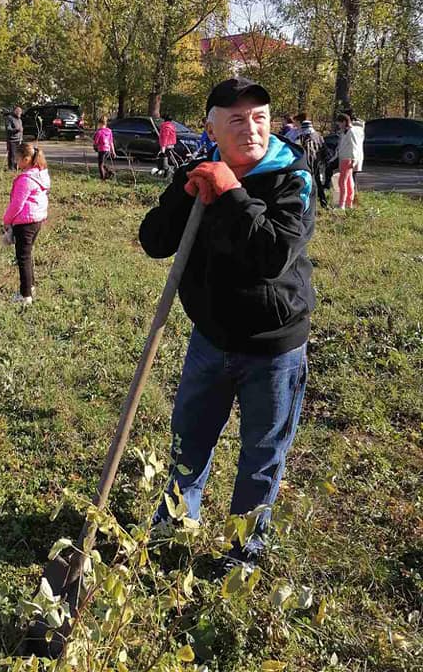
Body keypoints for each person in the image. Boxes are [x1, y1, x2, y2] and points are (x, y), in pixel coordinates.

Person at [139, 77, 315, 568]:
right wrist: (185, 191)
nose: (250, 127)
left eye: (259, 116)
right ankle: (171, 532)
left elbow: (272, 254)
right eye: (236, 118)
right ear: (212, 127)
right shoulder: (199, 168)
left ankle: (243, 553)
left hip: (273, 348)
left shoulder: (292, 178)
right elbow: (154, 240)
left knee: (261, 456)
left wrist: (232, 192)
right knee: (188, 442)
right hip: (210, 339)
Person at [2, 143, 50, 305]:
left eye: (17, 158)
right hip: (36, 221)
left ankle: (25, 295)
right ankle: (31, 286)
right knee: (27, 255)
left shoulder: (25, 180)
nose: (16, 161)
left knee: (22, 258)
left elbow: (17, 205)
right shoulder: (40, 175)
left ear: (26, 159)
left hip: (25, 222)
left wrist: (6, 220)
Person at [294, 114, 329, 209]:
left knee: (306, 184)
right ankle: (323, 204)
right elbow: (324, 150)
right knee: (318, 184)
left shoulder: (301, 137)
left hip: (306, 165)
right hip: (316, 164)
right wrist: (324, 162)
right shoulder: (318, 136)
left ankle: (307, 206)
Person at [344, 108, 365, 202]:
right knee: (353, 177)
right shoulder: (361, 125)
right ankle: (354, 197)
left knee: (349, 178)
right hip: (358, 153)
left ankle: (350, 199)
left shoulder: (352, 129)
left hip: (351, 154)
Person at [335, 113, 356, 210]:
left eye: (339, 123)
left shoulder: (350, 132)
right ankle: (348, 203)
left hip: (347, 159)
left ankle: (342, 205)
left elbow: (353, 146)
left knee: (341, 182)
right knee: (348, 181)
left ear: (344, 122)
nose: (338, 125)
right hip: (343, 158)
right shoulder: (344, 132)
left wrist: (354, 159)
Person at [93, 115, 116, 180]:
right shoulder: (109, 131)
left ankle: (103, 178)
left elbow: (96, 142)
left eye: (99, 124)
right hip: (108, 150)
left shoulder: (99, 132)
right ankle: (109, 173)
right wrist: (113, 151)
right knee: (103, 163)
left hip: (102, 150)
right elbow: (111, 142)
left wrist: (95, 146)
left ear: (100, 123)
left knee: (100, 165)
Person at [5, 106, 24, 170]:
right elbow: (8, 129)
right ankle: (11, 168)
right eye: (18, 111)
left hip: (19, 140)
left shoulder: (20, 120)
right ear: (15, 111)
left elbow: (21, 130)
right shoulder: (10, 118)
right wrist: (17, 129)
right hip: (12, 140)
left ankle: (16, 166)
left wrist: (21, 138)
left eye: (20, 112)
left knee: (18, 155)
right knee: (12, 155)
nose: (20, 113)